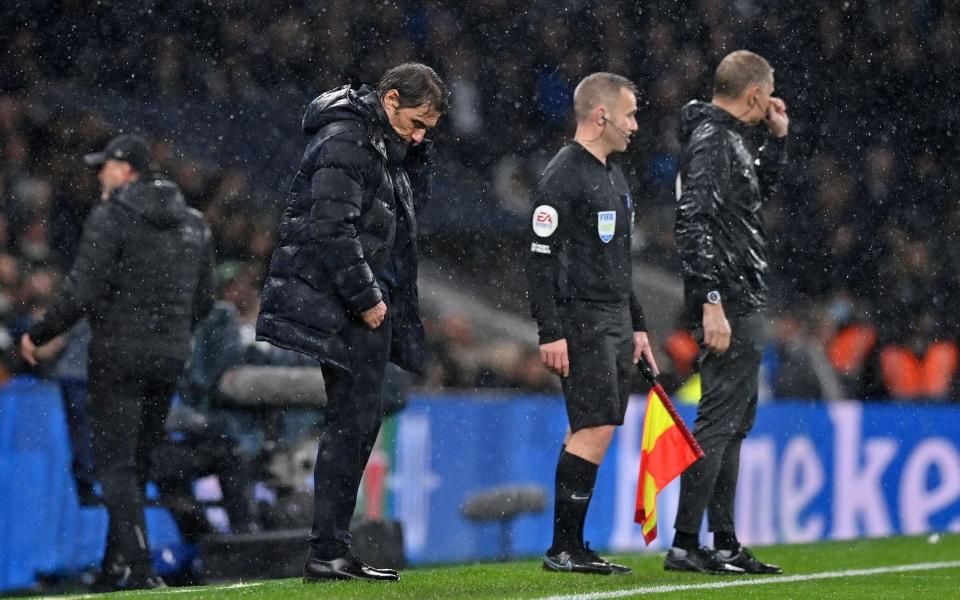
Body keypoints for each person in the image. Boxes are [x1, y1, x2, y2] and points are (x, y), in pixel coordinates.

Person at [255, 62, 447, 583]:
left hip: (366, 304)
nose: (420, 133)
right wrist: (366, 298)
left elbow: (401, 218)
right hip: (347, 307)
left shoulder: (383, 147)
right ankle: (327, 553)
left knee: (358, 424)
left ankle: (334, 549)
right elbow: (330, 226)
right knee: (349, 425)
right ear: (389, 100)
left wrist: (416, 152)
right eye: (416, 122)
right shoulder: (347, 141)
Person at [19, 134, 216, 591]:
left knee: (114, 467)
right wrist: (169, 333)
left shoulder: (113, 217)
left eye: (105, 166)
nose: (99, 175)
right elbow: (204, 300)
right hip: (169, 358)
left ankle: (141, 571)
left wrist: (39, 332)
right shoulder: (195, 223)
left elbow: (81, 292)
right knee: (139, 462)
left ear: (126, 170)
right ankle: (114, 569)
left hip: (118, 357)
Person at [526, 72, 657, 575]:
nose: (636, 126)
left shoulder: (612, 174)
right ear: (601, 116)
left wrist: (639, 324)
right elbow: (540, 256)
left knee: (597, 426)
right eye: (629, 115)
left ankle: (571, 546)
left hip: (614, 319)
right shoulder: (563, 174)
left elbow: (620, 261)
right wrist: (549, 330)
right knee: (592, 425)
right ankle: (564, 549)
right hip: (582, 320)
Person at [669, 50, 789, 575]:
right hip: (730, 297)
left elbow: (753, 196)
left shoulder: (729, 138)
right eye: (769, 95)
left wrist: (777, 141)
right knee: (719, 419)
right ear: (754, 96)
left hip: (739, 292)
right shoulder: (714, 140)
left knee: (734, 421)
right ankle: (685, 543)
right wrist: (712, 302)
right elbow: (691, 222)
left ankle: (722, 541)